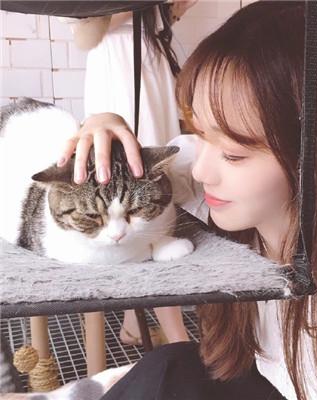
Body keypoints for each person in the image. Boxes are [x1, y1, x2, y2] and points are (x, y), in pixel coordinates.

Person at [57, 2, 317, 399]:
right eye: (201, 134)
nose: (203, 171)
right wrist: (104, 124)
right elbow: (168, 169)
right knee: (170, 368)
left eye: (234, 155)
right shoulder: (231, 194)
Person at [62, 2, 197, 347]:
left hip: (150, 58)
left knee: (158, 182)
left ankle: (135, 323)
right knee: (132, 188)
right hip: (120, 65)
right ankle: (171, 335)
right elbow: (87, 26)